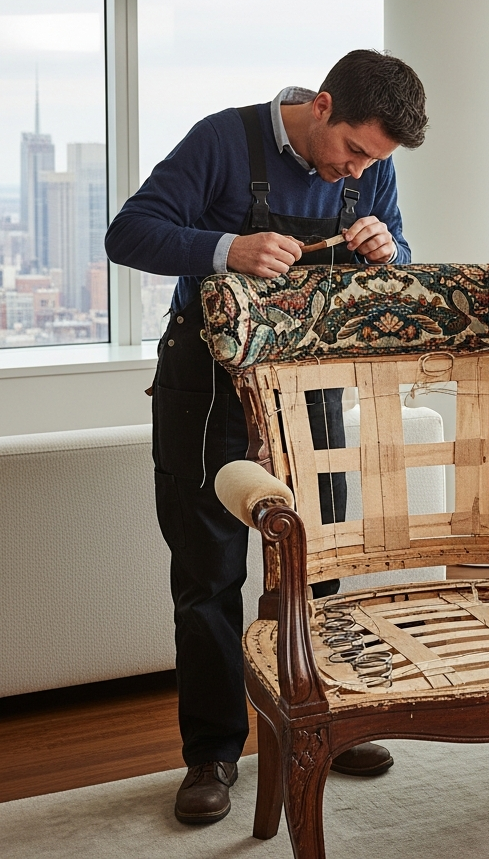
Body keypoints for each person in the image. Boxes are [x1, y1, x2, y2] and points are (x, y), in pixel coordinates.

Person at [104, 49, 427, 825]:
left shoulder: (367, 166)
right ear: (321, 105)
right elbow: (129, 233)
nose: (355, 172)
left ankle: (317, 717)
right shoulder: (222, 140)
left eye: (372, 162)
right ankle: (212, 752)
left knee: (316, 565)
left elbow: (401, 263)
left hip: (307, 385)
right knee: (209, 574)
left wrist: (390, 251)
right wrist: (225, 250)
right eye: (352, 151)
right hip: (205, 388)